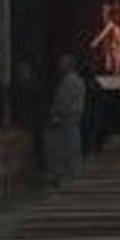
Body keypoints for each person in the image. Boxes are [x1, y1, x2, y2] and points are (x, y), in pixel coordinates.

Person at [44, 54, 85, 185]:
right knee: (71, 142)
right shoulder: (77, 80)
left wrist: (55, 112)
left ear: (69, 65)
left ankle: (68, 172)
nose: (60, 66)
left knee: (66, 145)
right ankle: (71, 170)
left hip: (67, 116)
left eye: (63, 63)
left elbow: (63, 100)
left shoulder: (70, 81)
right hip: (72, 115)